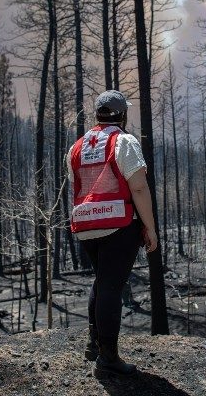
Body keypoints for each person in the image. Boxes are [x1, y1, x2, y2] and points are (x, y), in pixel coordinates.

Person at [67, 90, 157, 378]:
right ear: (122, 115)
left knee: (102, 281)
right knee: (111, 287)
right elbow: (139, 187)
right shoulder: (124, 142)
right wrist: (150, 227)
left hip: (86, 224)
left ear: (96, 115)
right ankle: (108, 358)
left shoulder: (77, 147)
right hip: (118, 223)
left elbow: (78, 185)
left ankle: (94, 344)